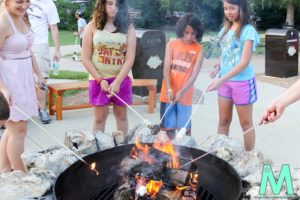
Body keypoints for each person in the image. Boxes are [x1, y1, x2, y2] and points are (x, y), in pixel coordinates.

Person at [206, 0, 260, 151]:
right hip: (225, 83)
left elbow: (244, 62)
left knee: (246, 123)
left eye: (232, 8)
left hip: (242, 83)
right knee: (223, 120)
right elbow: (225, 53)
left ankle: (249, 157)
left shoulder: (248, 30)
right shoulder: (225, 28)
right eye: (225, 8)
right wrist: (218, 67)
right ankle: (220, 152)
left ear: (241, 8)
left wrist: (221, 79)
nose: (228, 12)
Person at [0, 0, 44, 172]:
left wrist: (38, 75)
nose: (25, 5)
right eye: (19, 1)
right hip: (10, 80)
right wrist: (3, 88)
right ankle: (21, 174)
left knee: (13, 129)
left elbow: (28, 50)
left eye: (27, 1)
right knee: (19, 131)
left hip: (24, 79)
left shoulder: (22, 17)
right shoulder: (3, 22)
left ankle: (4, 169)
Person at [82, 0, 136, 137]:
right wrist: (100, 79)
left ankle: (120, 148)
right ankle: (98, 151)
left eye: (117, 4)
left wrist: (117, 82)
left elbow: (130, 59)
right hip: (98, 79)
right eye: (110, 3)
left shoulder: (128, 28)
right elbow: (85, 58)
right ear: (102, 4)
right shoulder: (92, 26)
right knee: (100, 117)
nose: (113, 8)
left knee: (121, 115)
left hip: (121, 79)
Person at [159, 13, 204, 140]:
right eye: (186, 32)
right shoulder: (171, 44)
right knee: (168, 130)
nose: (189, 36)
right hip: (168, 94)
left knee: (184, 132)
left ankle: (183, 156)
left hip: (185, 96)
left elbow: (194, 75)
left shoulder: (199, 49)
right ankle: (168, 158)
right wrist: (169, 89)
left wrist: (182, 91)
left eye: (193, 33)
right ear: (181, 30)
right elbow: (166, 68)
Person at [27, 0, 61, 124]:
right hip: (22, 42)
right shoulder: (23, 2)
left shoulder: (49, 4)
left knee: (41, 78)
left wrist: (57, 50)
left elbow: (54, 27)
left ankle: (42, 110)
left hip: (39, 44)